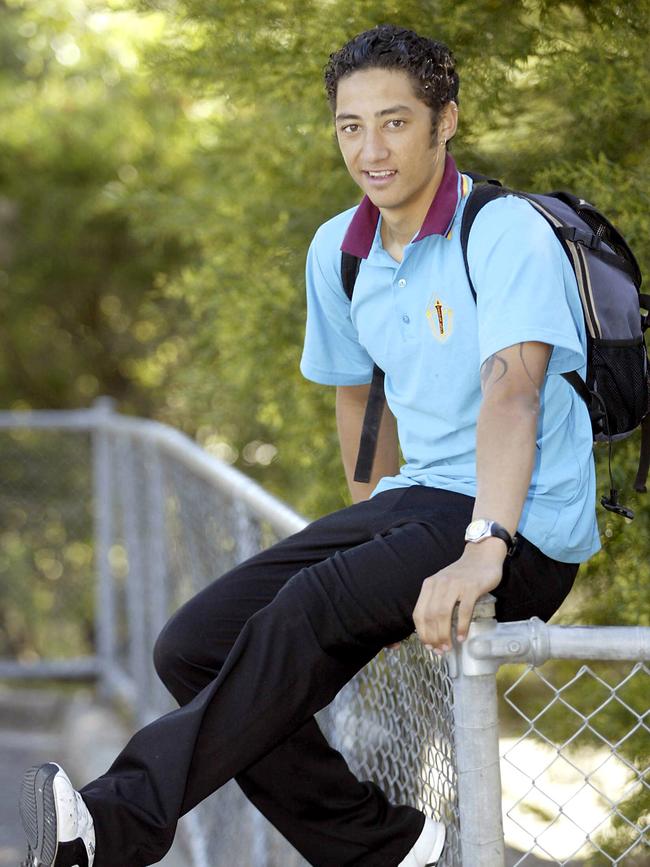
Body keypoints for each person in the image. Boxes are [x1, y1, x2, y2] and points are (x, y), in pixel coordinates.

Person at [19, 23, 600, 867]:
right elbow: (355, 394)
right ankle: (389, 849)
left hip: (525, 525)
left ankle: (110, 827)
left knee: (305, 608)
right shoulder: (340, 249)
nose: (372, 149)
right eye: (350, 125)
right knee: (192, 643)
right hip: (422, 504)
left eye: (396, 122)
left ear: (446, 122)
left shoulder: (504, 231)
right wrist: (378, 547)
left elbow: (513, 394)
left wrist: (484, 550)